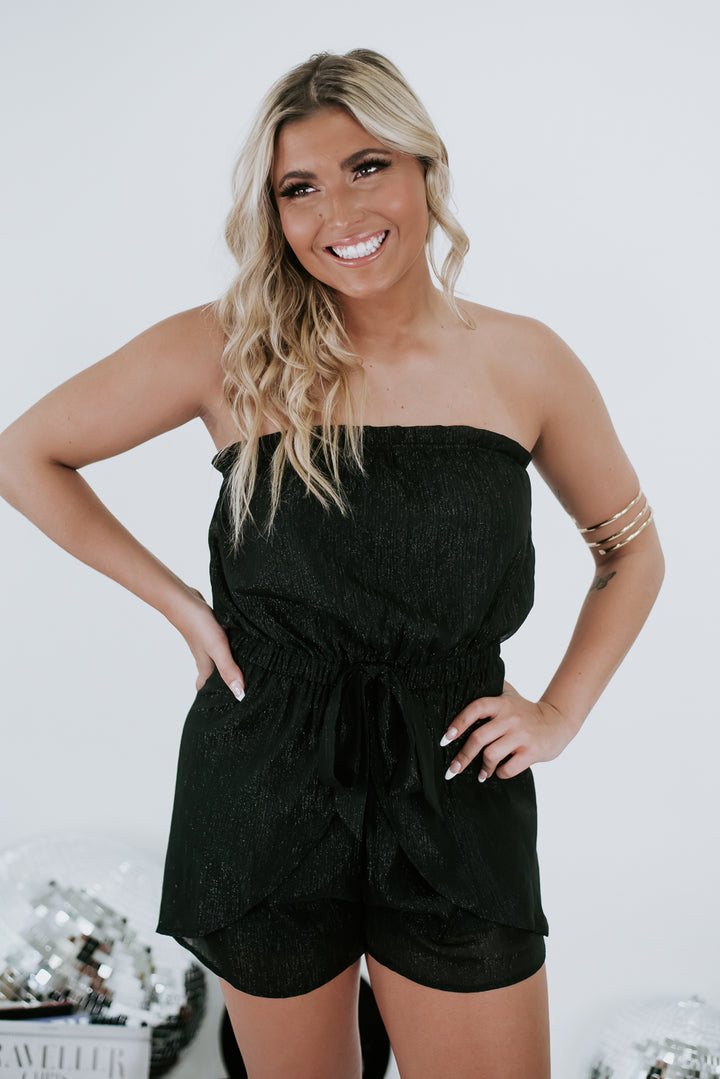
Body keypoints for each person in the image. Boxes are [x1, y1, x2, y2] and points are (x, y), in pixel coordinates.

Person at [0, 47, 663, 1079]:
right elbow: (26, 454)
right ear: (272, 212)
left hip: (455, 775)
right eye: (298, 188)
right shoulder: (228, 348)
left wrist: (561, 712)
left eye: (367, 167)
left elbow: (630, 550)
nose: (337, 212)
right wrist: (182, 606)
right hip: (264, 774)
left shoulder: (524, 359)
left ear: (425, 168)